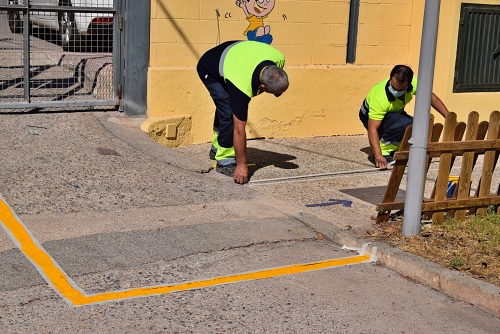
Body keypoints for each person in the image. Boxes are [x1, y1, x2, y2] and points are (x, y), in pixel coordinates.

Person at [197, 40, 289, 184]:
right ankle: (224, 160)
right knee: (227, 111)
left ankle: (217, 147)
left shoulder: (279, 58)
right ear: (263, 85)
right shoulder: (241, 87)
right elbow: (239, 129)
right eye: (275, 93)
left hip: (235, 59)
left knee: (225, 107)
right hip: (209, 66)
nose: (278, 96)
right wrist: (241, 165)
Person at [359, 64, 449, 169]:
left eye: (400, 89)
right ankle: (385, 151)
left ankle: (395, 148)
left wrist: (448, 117)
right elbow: (372, 129)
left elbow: (432, 98)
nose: (396, 91)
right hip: (368, 116)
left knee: (414, 126)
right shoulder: (379, 98)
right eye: (393, 87)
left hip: (394, 112)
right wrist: (378, 155)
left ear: (408, 85)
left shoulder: (414, 83)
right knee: (403, 124)